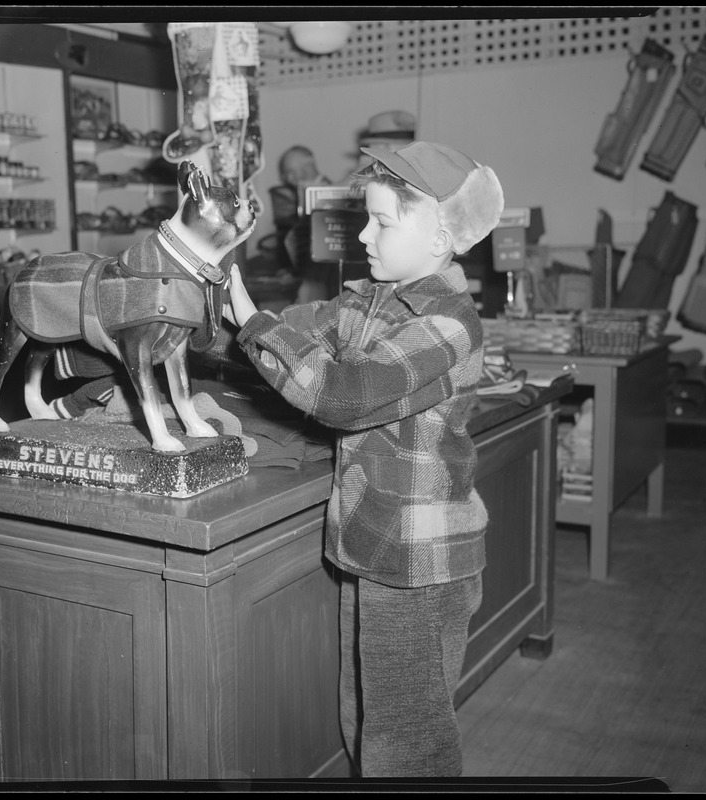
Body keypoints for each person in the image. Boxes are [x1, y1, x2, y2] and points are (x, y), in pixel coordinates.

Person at [224, 141, 505, 777]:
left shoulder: (449, 323)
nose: (364, 234)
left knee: (409, 740)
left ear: (439, 234)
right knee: (367, 716)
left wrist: (252, 325)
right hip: (375, 545)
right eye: (365, 218)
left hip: (420, 560)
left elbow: (343, 397)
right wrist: (217, 309)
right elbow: (300, 328)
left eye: (382, 221)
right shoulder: (368, 301)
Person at [268, 145, 332, 303]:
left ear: (308, 164)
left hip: (322, 280)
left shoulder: (330, 195)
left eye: (291, 170)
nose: (289, 178)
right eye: (286, 173)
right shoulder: (296, 198)